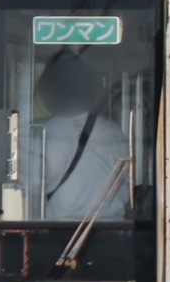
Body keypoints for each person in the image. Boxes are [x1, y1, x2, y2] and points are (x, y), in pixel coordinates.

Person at [39, 50, 131, 221]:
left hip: (56, 233)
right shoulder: (114, 132)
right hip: (114, 230)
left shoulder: (43, 133)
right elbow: (125, 189)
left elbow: (32, 189)